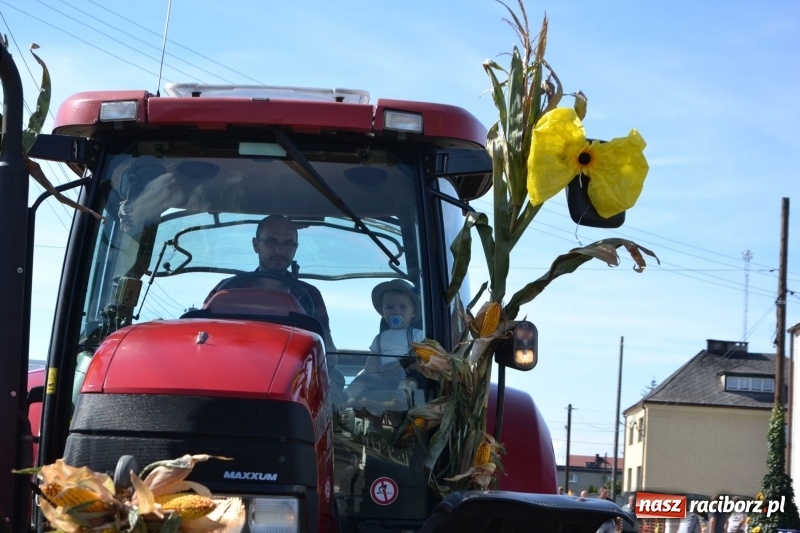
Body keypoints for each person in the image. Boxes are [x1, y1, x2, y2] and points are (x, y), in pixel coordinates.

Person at [205, 215, 336, 352]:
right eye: (272, 242)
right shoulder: (227, 290)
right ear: (256, 245)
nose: (279, 249)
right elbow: (201, 335)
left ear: (295, 249)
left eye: (287, 243)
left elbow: (329, 354)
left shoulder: (310, 296)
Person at [345, 280, 424, 402]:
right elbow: (370, 368)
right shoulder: (379, 339)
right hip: (383, 378)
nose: (396, 311)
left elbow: (423, 363)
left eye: (403, 307)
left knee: (410, 379)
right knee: (362, 379)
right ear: (383, 312)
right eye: (390, 307)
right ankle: (347, 397)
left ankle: (401, 396)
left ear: (413, 312)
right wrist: (371, 376)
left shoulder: (418, 335)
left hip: (406, 373)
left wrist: (403, 366)